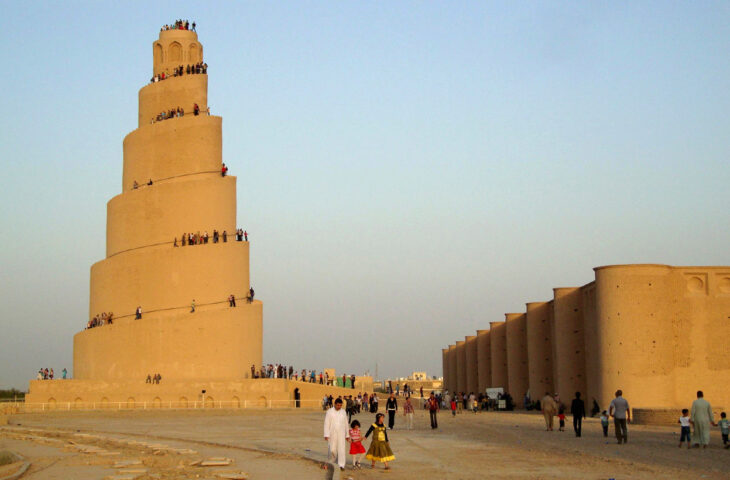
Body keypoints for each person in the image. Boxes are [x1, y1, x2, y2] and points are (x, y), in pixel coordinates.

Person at [324, 398, 349, 471]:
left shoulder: (343, 412)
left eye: (340, 405)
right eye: (338, 405)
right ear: (335, 404)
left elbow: (346, 423)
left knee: (341, 449)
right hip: (332, 433)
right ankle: (332, 461)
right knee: (332, 449)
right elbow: (326, 423)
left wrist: (347, 435)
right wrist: (326, 434)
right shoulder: (329, 412)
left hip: (341, 433)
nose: (339, 407)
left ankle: (341, 465)